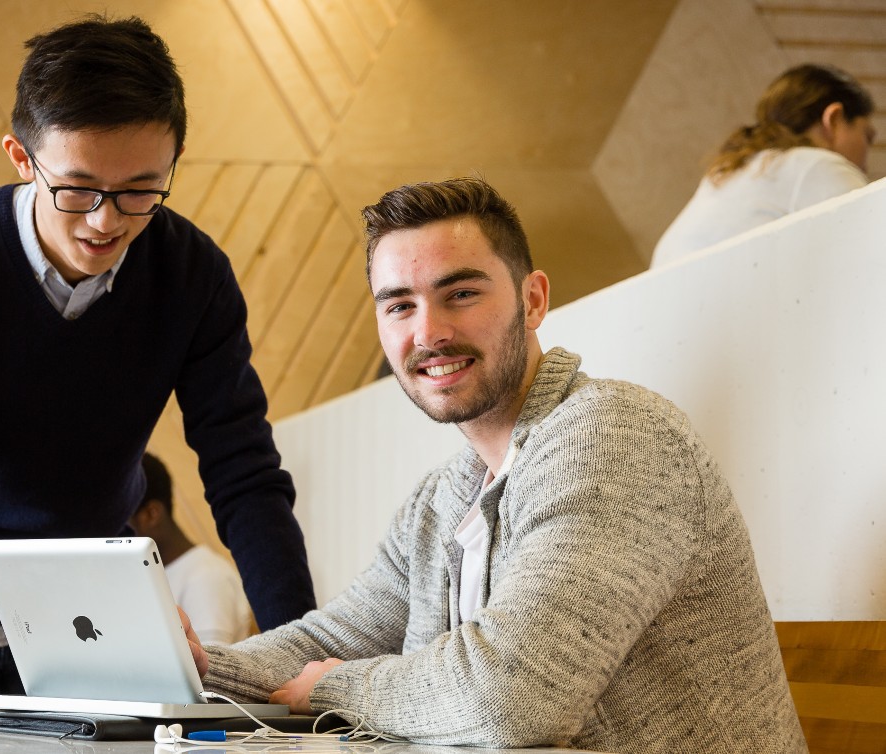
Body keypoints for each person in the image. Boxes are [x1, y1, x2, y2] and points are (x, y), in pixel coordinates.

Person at [0, 14, 314, 747]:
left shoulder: (194, 276)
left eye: (140, 191)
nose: (104, 221)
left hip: (92, 611)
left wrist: (302, 653)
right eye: (78, 188)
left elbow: (244, 471)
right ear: (22, 157)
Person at [188, 178, 806, 754]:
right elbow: (336, 638)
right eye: (399, 305)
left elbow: (511, 697)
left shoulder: (615, 437)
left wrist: (336, 689)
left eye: (460, 293)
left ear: (532, 300)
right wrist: (201, 666)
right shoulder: (444, 498)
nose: (428, 333)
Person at [652, 63, 875, 267]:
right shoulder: (816, 165)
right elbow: (874, 257)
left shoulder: (723, 175)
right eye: (867, 135)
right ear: (833, 119)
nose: (865, 165)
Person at [128, 452, 252, 644]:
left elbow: (208, 668)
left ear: (151, 515)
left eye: (119, 525)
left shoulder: (206, 577)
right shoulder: (154, 573)